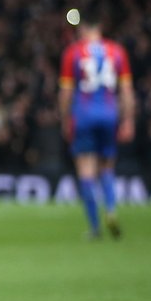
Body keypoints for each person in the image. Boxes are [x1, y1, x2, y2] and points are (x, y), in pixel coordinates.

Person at [58, 13, 136, 239]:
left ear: (82, 28)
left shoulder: (73, 53)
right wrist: (128, 119)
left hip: (83, 115)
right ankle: (111, 210)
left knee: (86, 170)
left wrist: (64, 118)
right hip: (109, 114)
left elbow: (66, 93)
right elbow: (127, 92)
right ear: (100, 27)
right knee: (108, 167)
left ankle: (95, 227)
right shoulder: (117, 52)